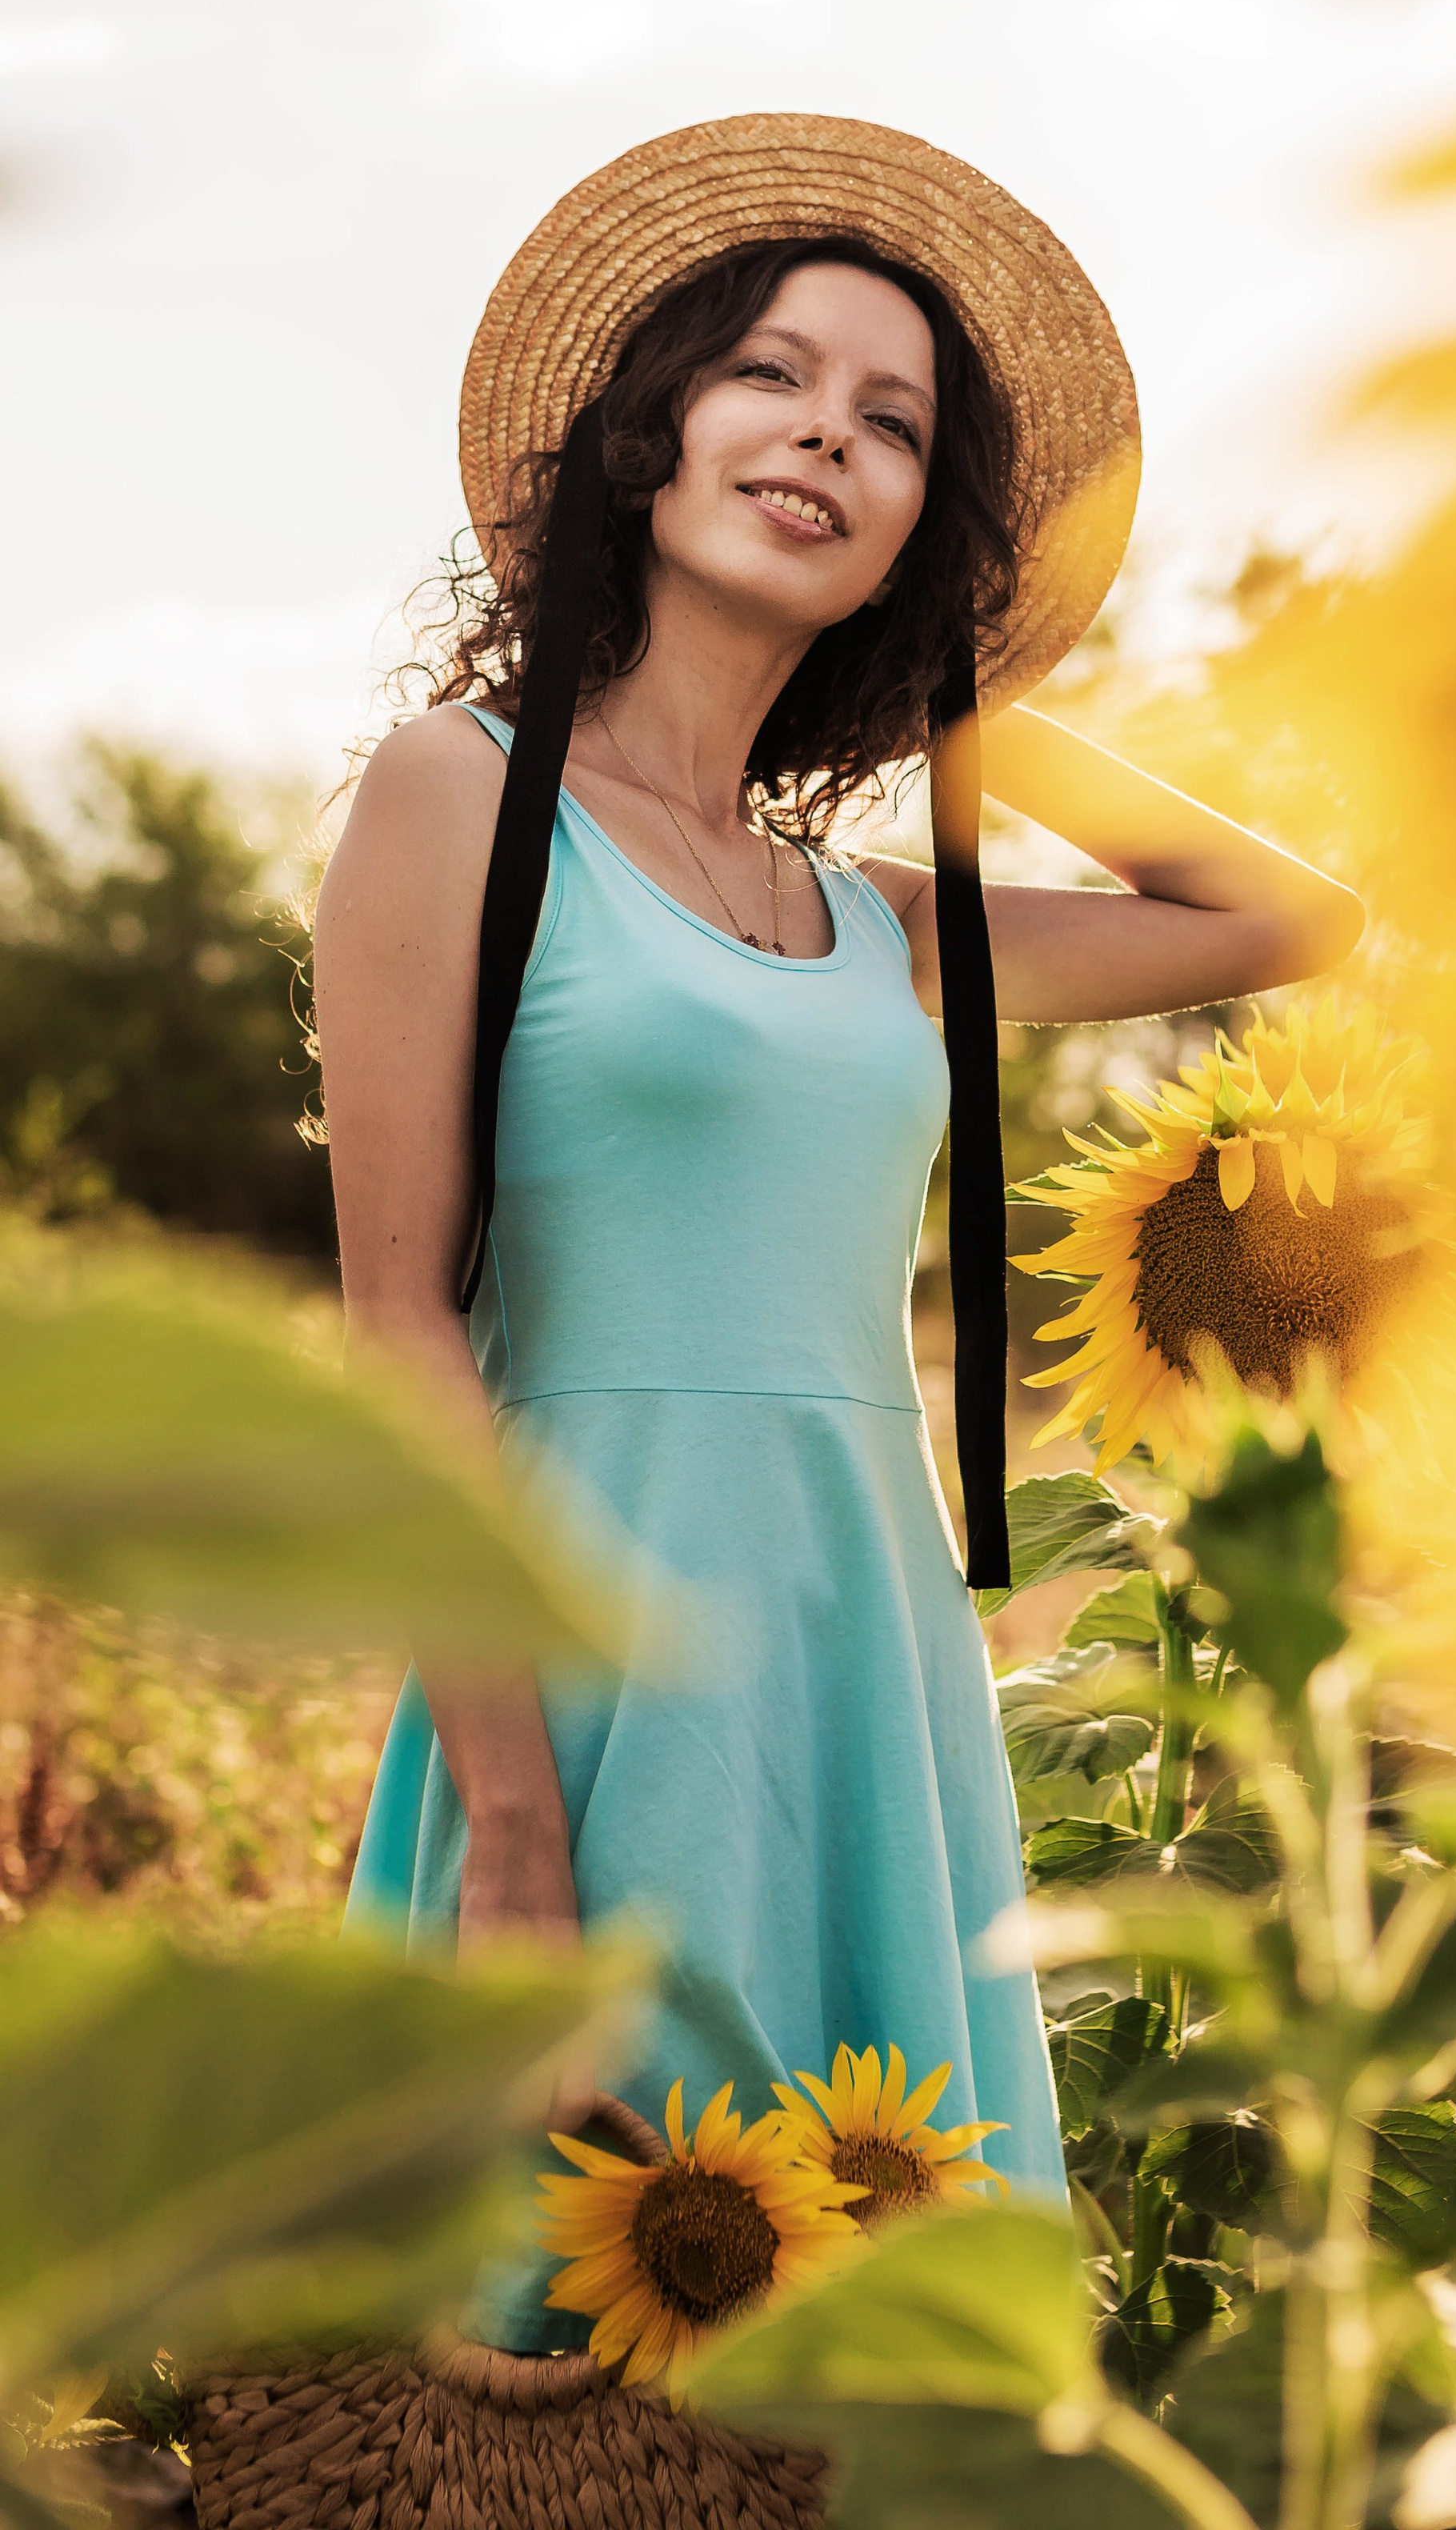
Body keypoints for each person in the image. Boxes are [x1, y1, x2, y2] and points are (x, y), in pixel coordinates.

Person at [316, 114, 1361, 2348]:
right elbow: (398, 1324)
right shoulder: (464, 802)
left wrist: (975, 671)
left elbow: (1288, 919)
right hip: (585, 1659)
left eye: (892, 431)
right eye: (772, 378)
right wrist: (512, 1827)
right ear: (643, 437)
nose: (824, 437)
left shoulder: (881, 920)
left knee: (869, 2347)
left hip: (865, 1659)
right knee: (556, 2342)